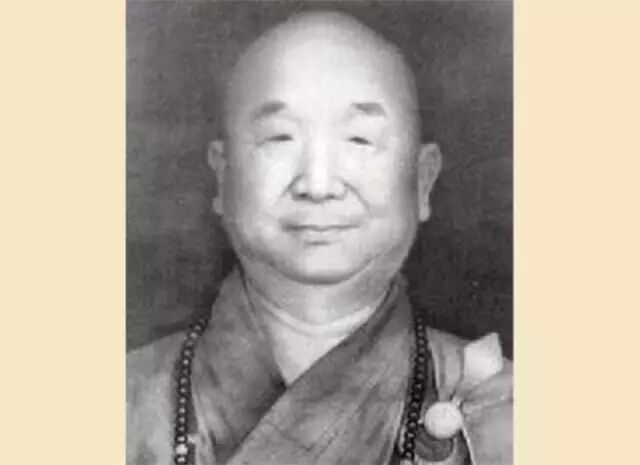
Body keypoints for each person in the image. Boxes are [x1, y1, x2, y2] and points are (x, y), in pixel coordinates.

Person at [127, 11, 512, 465]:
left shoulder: (506, 411)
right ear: (222, 176)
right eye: (280, 137)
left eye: (359, 140)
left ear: (423, 181)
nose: (318, 183)